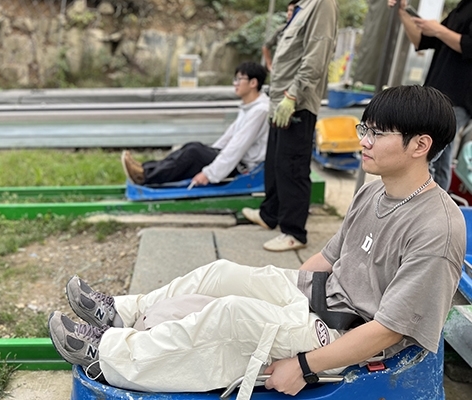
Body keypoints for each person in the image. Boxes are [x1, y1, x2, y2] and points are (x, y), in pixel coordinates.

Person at [48, 85, 465, 397]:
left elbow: (388, 331)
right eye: (365, 128)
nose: (364, 141)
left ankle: (109, 356)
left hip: (348, 333)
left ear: (420, 145)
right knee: (221, 274)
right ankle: (121, 313)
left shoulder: (436, 228)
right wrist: (280, 299)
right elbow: (326, 258)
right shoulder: (374, 192)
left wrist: (303, 365)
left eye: (378, 133)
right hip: (319, 299)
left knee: (232, 315)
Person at [242, 0, 339, 252]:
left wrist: (294, 94)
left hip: (296, 102)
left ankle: (294, 232)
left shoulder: (322, 4)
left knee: (292, 167)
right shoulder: (301, 7)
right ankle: (270, 214)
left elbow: (317, 54)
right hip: (280, 100)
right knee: (276, 162)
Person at [121, 62, 269, 187]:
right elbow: (229, 137)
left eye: (239, 79)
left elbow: (237, 146)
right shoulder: (249, 108)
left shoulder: (260, 111)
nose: (235, 84)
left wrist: (209, 173)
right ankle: (145, 169)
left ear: (253, 83)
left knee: (194, 152)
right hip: (235, 163)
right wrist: (209, 154)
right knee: (193, 148)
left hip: (243, 168)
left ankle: (146, 176)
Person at [389, 0, 472, 191]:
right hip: (435, 96)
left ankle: (436, 203)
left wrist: (439, 30)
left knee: (434, 155)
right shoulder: (462, 6)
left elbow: (467, 46)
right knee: (426, 154)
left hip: (458, 98)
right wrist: (403, 12)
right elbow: (422, 40)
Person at [262, 0, 299, 72]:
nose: (289, 13)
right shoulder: (281, 29)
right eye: (288, 10)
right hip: (279, 69)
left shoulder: (303, 30)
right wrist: (269, 65)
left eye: (292, 10)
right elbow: (266, 46)